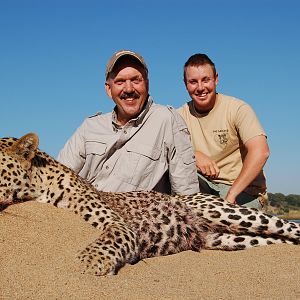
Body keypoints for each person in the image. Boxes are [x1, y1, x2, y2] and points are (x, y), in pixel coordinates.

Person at [58, 50, 199, 195]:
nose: (129, 89)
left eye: (136, 80)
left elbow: (187, 193)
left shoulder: (167, 120)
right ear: (108, 89)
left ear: (147, 84)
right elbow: (57, 178)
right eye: (120, 82)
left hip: (131, 216)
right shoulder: (90, 126)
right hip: (79, 213)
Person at [178, 53, 270, 209]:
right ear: (185, 84)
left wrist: (231, 196)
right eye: (193, 82)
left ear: (216, 79)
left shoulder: (238, 109)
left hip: (241, 190)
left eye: (206, 80)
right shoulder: (178, 116)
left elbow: (261, 152)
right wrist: (194, 155)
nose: (200, 88)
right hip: (203, 189)